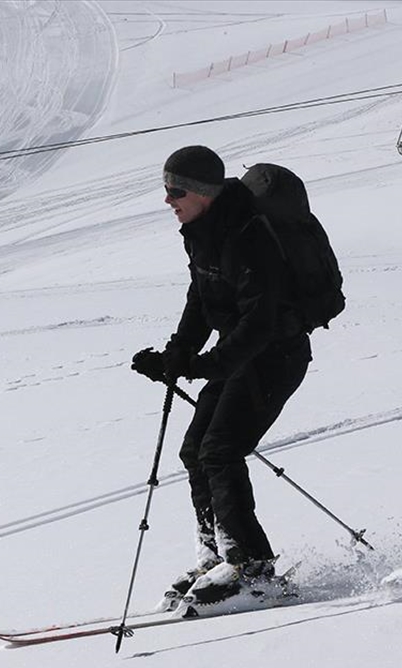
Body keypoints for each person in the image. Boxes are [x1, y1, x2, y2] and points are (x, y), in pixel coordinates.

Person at [131, 145, 313, 608]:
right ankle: (217, 554)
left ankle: (252, 568)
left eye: (175, 191)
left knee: (220, 450)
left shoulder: (248, 237)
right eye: (166, 189)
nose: (168, 200)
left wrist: (204, 366)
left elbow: (260, 322)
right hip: (241, 355)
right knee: (195, 450)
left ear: (202, 192)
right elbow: (202, 296)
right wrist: (176, 355)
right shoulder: (202, 229)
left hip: (275, 356)